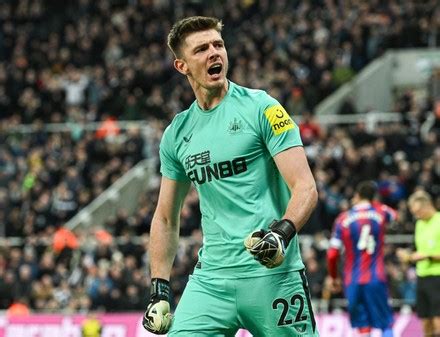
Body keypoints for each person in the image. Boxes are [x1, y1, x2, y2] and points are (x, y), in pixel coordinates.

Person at [142, 16, 319, 336]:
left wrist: (281, 232)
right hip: (211, 281)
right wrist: (160, 289)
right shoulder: (177, 133)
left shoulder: (262, 108)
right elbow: (166, 218)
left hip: (273, 277)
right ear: (182, 66)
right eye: (201, 49)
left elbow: (305, 187)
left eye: (218, 45)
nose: (214, 53)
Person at [326, 180, 396, 337]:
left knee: (362, 326)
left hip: (352, 279)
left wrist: (333, 277)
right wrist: (375, 204)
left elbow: (332, 254)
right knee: (385, 323)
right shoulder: (381, 212)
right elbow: (394, 216)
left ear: (356, 196)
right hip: (376, 277)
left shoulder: (342, 219)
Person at [397, 190, 440, 337]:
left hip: (437, 277)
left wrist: (427, 256)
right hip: (422, 276)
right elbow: (420, 248)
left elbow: (426, 252)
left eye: (418, 211)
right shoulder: (420, 224)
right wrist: (408, 255)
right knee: (425, 321)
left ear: (428, 205)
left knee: (437, 321)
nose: (417, 216)